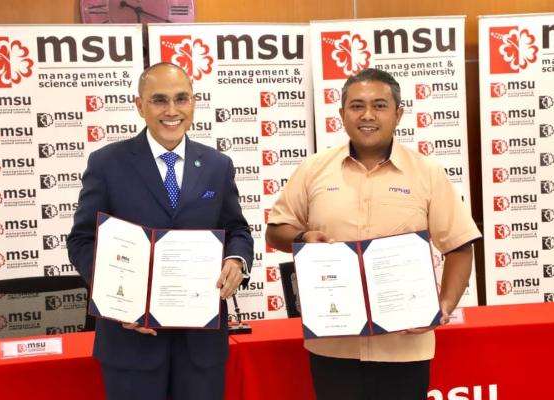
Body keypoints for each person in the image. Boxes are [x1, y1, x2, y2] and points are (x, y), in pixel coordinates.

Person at [265, 68, 481, 400]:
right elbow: (276, 231)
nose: (367, 115)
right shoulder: (313, 170)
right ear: (342, 114)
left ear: (398, 114)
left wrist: (443, 306)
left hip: (405, 346)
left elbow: (460, 246)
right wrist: (302, 238)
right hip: (333, 343)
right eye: (357, 106)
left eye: (379, 105)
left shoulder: (427, 173)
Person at [67, 62, 253, 400]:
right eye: (159, 100)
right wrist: (117, 301)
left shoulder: (217, 165)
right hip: (131, 342)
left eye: (181, 99)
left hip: (201, 346)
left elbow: (236, 229)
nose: (171, 111)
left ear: (193, 103)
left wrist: (237, 260)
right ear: (140, 106)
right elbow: (83, 240)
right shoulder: (106, 163)